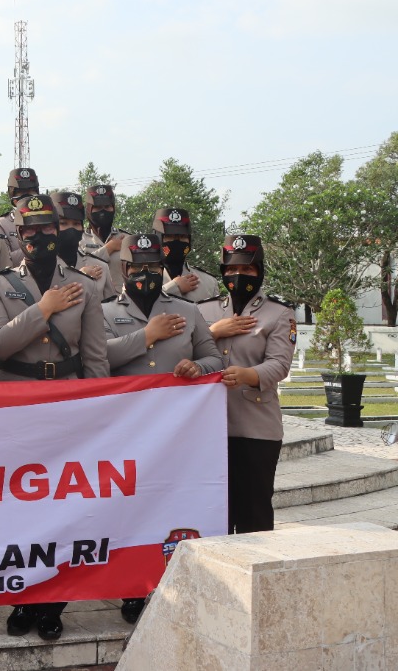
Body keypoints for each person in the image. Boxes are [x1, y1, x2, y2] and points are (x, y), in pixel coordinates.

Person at [0, 193, 109, 642]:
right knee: (18, 508)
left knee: (64, 509)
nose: (39, 235)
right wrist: (46, 308)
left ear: (59, 231)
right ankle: (22, 597)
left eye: (47, 227)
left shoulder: (86, 285)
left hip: (66, 405)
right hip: (13, 403)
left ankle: (54, 602)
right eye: (30, 228)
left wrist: (98, 413)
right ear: (18, 233)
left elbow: (94, 356)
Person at [101, 232, 222, 623]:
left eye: (153, 267)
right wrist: (147, 335)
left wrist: (196, 368)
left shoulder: (187, 311)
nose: (146, 274)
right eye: (138, 267)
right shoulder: (103, 311)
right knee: (125, 513)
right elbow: (98, 359)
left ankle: (163, 584)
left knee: (163, 512)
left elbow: (213, 357)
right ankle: (129, 591)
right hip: (124, 434)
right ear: (124, 269)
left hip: (174, 436)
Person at [198, 235, 295, 535]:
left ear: (260, 271)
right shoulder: (203, 311)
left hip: (257, 428)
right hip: (208, 429)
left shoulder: (279, 313)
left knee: (254, 513)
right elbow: (186, 353)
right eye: (231, 270)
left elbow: (279, 364)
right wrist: (214, 331)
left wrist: (246, 375)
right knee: (215, 514)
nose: (238, 276)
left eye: (248, 270)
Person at [52, 191, 117, 300]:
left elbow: (110, 309)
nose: (71, 229)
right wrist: (80, 276)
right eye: (63, 223)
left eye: (76, 224)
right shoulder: (42, 267)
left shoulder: (100, 267)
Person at [153, 207, 220, 302]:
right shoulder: (142, 279)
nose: (176, 242)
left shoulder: (209, 283)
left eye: (182, 237)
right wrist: (173, 288)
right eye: (169, 237)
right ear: (158, 239)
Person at [0, 167, 41, 262]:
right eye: (21, 192)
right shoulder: (0, 224)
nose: (26, 196)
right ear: (12, 196)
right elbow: (4, 260)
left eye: (30, 191)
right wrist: (37, 245)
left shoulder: (50, 221)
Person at [83, 184, 117, 256]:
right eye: (98, 207)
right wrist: (109, 248)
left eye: (107, 206)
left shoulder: (125, 239)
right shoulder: (78, 239)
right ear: (89, 210)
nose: (103, 211)